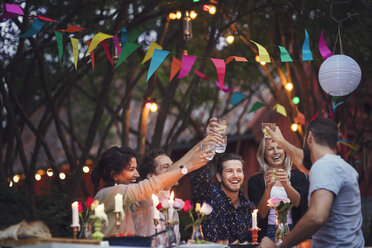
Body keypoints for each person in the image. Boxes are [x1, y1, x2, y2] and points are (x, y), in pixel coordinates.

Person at [270, 118, 365, 248]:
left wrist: (281, 245)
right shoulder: (341, 166)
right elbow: (303, 162)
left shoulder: (324, 166)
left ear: (309, 137)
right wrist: (281, 142)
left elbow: (316, 216)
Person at [90, 140, 214, 236]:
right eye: (131, 169)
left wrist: (206, 141)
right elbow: (153, 184)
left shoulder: (135, 197)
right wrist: (188, 167)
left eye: (136, 169)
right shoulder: (107, 194)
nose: (137, 174)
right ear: (114, 175)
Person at [247, 136, 308, 247]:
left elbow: (298, 202)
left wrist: (286, 184)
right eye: (270, 149)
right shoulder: (255, 181)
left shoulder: (299, 175)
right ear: (264, 154)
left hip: (294, 230)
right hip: (269, 232)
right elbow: (261, 214)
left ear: (285, 151)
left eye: (279, 148)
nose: (276, 152)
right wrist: (268, 189)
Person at [190, 153, 255, 243]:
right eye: (229, 171)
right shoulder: (209, 197)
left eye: (239, 171)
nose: (235, 175)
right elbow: (199, 176)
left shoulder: (249, 207)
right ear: (219, 177)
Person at [132, 149, 181, 243]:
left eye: (173, 166)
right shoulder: (144, 199)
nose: (173, 170)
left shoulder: (172, 205)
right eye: (165, 167)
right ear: (150, 176)